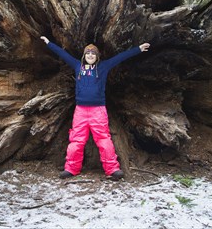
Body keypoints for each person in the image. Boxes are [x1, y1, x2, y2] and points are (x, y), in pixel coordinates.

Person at [40, 35, 150, 180]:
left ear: (97, 56)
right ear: (84, 56)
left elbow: (120, 57)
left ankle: (112, 169)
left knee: (104, 140)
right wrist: (49, 43)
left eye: (93, 53)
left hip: (98, 110)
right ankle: (71, 168)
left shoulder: (102, 67)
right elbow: (63, 54)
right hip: (80, 111)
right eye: (88, 53)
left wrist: (138, 49)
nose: (90, 55)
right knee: (76, 141)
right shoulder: (77, 66)